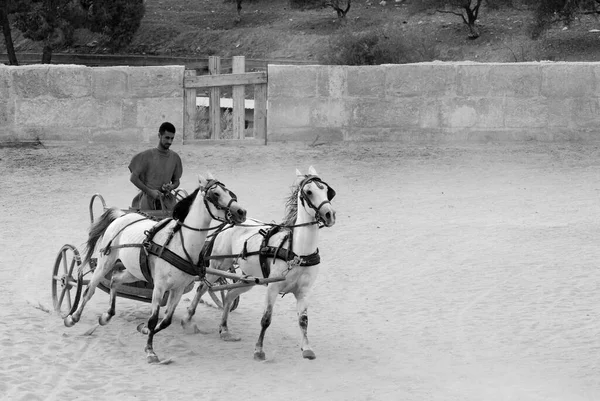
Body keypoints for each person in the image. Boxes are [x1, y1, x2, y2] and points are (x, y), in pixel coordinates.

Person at [129, 122, 183, 211]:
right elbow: (133, 178)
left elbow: (176, 182)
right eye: (167, 138)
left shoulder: (175, 158)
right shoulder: (146, 156)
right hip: (147, 201)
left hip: (167, 202)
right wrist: (150, 191)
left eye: (172, 138)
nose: (170, 141)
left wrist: (171, 187)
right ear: (159, 135)